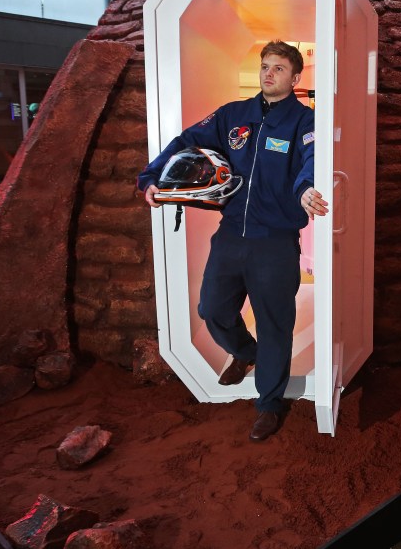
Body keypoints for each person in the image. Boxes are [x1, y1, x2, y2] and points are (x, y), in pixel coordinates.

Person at [138, 40, 328, 442]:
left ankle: (269, 403)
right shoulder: (232, 116)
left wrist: (305, 191)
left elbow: (310, 163)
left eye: (278, 68)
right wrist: (152, 176)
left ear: (295, 78)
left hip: (275, 241)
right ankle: (245, 352)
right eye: (265, 66)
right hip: (231, 236)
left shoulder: (305, 123)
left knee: (276, 323)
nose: (269, 74)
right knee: (212, 309)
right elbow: (186, 141)